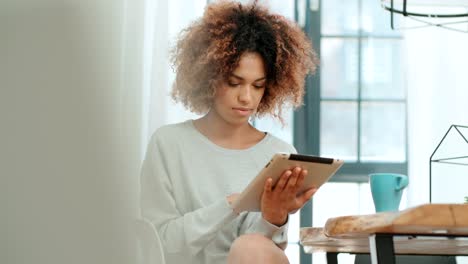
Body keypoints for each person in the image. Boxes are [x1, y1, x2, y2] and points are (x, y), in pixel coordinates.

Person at [140, 1, 318, 263]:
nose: (246, 97)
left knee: (249, 247)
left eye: (258, 86)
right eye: (234, 82)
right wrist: (233, 204)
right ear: (208, 78)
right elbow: (162, 244)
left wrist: (274, 217)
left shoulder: (279, 154)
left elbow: (259, 251)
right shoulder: (168, 144)